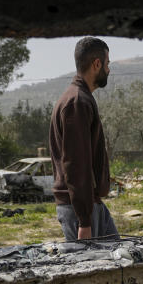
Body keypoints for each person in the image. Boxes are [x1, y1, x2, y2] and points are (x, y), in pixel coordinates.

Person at [49, 36, 118, 241]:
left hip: (91, 204)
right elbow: (76, 165)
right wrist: (85, 222)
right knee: (94, 269)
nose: (108, 70)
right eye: (107, 64)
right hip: (80, 210)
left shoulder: (80, 98)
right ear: (97, 64)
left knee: (120, 263)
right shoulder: (77, 103)